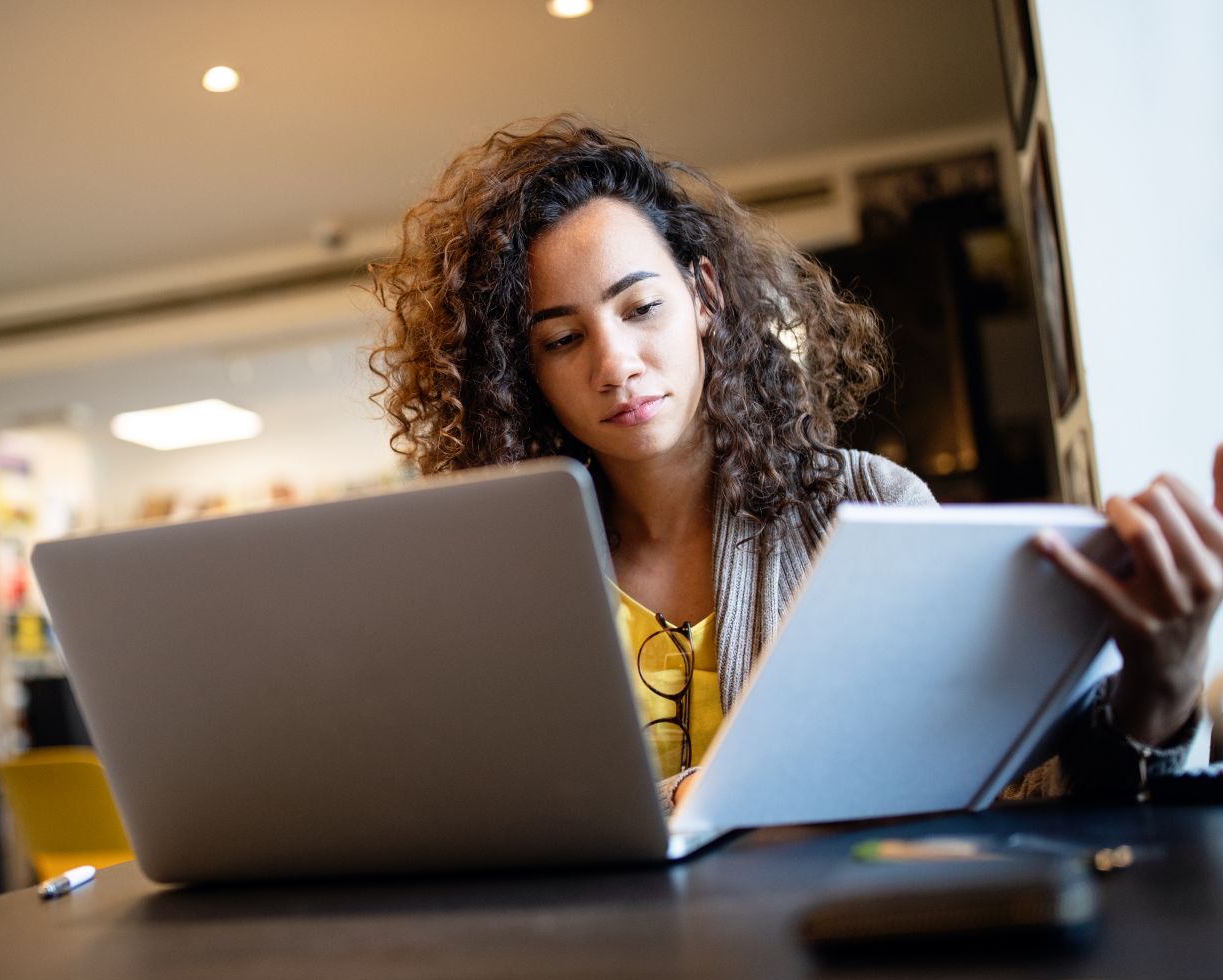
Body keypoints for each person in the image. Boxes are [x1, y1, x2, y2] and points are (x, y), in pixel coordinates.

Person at [368, 114, 1223, 810]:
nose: (615, 361)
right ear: (526, 372)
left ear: (704, 298)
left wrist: (1161, 689)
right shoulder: (502, 573)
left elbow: (1014, 789)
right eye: (562, 337)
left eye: (642, 307)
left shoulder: (869, 511)